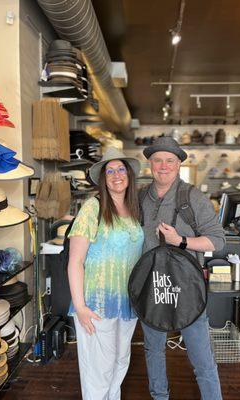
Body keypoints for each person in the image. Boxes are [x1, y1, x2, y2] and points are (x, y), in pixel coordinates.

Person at [140, 136, 225, 400]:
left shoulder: (193, 196)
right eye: (157, 160)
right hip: (151, 285)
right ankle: (160, 397)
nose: (163, 166)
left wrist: (181, 241)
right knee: (153, 349)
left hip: (187, 286)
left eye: (169, 161)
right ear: (150, 165)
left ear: (178, 165)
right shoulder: (141, 197)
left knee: (200, 354)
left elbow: (218, 241)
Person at [67, 147, 144, 400]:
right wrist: (80, 306)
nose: (116, 175)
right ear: (103, 178)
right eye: (109, 171)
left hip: (128, 302)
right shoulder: (93, 207)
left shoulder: (134, 210)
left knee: (120, 362)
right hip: (97, 303)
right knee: (99, 370)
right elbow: (75, 261)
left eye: (121, 169)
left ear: (129, 175)